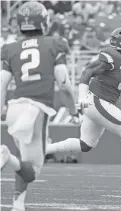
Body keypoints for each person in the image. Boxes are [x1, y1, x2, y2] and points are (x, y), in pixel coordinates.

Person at [45, 27, 121, 190]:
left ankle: (43, 149)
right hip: (96, 101)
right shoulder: (111, 55)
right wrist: (82, 98)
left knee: (85, 144)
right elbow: (87, 72)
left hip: (101, 103)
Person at [0, 2, 79, 211]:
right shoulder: (56, 43)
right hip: (36, 110)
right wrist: (73, 111)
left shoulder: (9, 48)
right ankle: (6, 156)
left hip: (15, 108)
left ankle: (18, 204)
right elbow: (63, 83)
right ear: (44, 22)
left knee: (25, 161)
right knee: (32, 170)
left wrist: (1, 109)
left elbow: (2, 83)